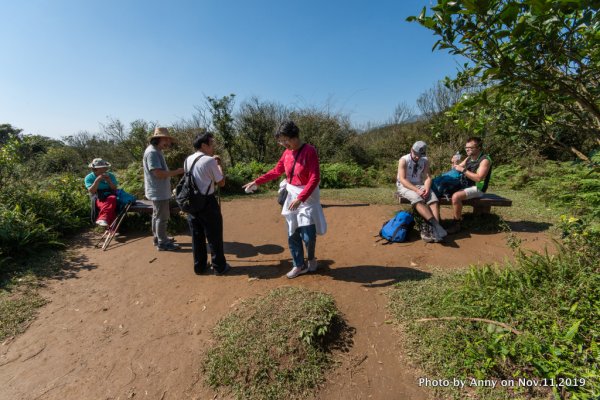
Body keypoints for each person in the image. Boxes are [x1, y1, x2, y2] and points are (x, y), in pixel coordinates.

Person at [243, 120, 327, 279]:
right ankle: (298, 265)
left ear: (294, 136)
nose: (283, 144)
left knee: (308, 235)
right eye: (281, 141)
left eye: (285, 140)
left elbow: (315, 177)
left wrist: (302, 198)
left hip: (307, 197)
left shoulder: (310, 151)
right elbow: (276, 171)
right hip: (291, 196)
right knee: (292, 232)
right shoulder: (286, 153)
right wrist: (257, 181)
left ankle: (311, 258)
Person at [184, 132, 230, 275]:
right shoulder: (209, 161)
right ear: (204, 145)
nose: (213, 147)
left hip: (192, 201)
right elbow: (221, 182)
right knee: (214, 235)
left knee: (197, 236)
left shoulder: (187, 159)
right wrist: (218, 165)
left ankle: (199, 266)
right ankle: (219, 267)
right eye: (211, 144)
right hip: (207, 202)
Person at [396, 141, 447, 242]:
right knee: (417, 199)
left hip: (419, 184)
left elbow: (427, 177)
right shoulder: (404, 160)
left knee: (433, 200)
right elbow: (402, 179)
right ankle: (436, 225)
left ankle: (434, 230)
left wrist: (427, 188)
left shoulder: (425, 160)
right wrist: (416, 190)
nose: (417, 157)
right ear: (411, 150)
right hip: (405, 185)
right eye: (416, 155)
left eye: (420, 155)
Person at [143, 127, 184, 251]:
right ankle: (163, 242)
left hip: (158, 190)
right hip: (158, 191)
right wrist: (176, 172)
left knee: (157, 215)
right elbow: (158, 173)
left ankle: (158, 238)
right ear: (158, 139)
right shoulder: (153, 153)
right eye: (166, 139)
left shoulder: (156, 150)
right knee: (162, 217)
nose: (168, 143)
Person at [447, 136, 492, 233]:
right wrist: (454, 163)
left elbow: (479, 178)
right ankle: (435, 221)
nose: (467, 149)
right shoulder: (468, 158)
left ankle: (457, 223)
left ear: (478, 148)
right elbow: (455, 170)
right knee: (442, 190)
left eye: (470, 148)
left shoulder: (485, 160)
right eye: (466, 147)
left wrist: (463, 170)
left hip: (478, 188)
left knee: (456, 197)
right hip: (466, 184)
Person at [84, 158, 118, 227]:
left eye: (105, 167)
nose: (105, 169)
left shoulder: (110, 175)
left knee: (112, 198)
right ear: (95, 169)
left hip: (109, 193)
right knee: (108, 205)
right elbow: (92, 191)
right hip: (97, 195)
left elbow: (114, 188)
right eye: (102, 168)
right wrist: (97, 181)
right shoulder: (89, 177)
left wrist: (109, 181)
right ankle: (112, 228)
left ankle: (102, 218)